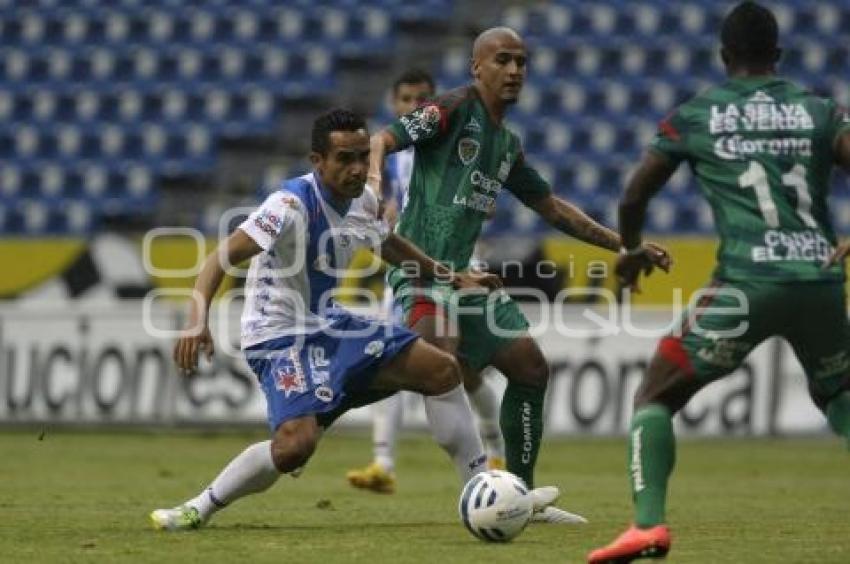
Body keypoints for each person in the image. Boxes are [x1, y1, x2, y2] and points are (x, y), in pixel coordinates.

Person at [149, 109, 511, 530]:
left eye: (362, 156)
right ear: (317, 161)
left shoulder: (363, 202)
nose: (357, 169)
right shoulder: (287, 207)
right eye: (344, 159)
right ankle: (199, 507)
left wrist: (455, 277)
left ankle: (484, 494)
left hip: (331, 324)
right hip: (277, 337)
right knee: (293, 449)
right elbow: (220, 257)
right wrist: (197, 319)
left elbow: (391, 247)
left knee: (442, 370)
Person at [368, 28, 671, 523]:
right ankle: (479, 488)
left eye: (521, 62)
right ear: (477, 67)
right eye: (503, 60)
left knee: (530, 368)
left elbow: (552, 207)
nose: (514, 71)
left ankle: (521, 498)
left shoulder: (506, 144)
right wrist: (377, 182)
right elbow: (383, 138)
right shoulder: (451, 109)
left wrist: (626, 244)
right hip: (420, 272)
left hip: (467, 280)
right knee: (436, 367)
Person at [588, 2, 850, 561]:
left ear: (724, 55)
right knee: (838, 393)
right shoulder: (819, 111)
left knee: (654, 393)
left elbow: (634, 194)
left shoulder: (699, 114)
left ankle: (648, 525)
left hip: (746, 284)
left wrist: (631, 250)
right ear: (778, 56)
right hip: (821, 278)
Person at [347, 69, 507, 494]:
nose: (415, 106)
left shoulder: (452, 149)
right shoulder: (387, 158)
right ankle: (383, 461)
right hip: (409, 272)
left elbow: (486, 207)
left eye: (423, 99)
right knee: (397, 356)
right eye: (407, 100)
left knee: (467, 370)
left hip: (458, 267)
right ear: (394, 105)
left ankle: (495, 453)